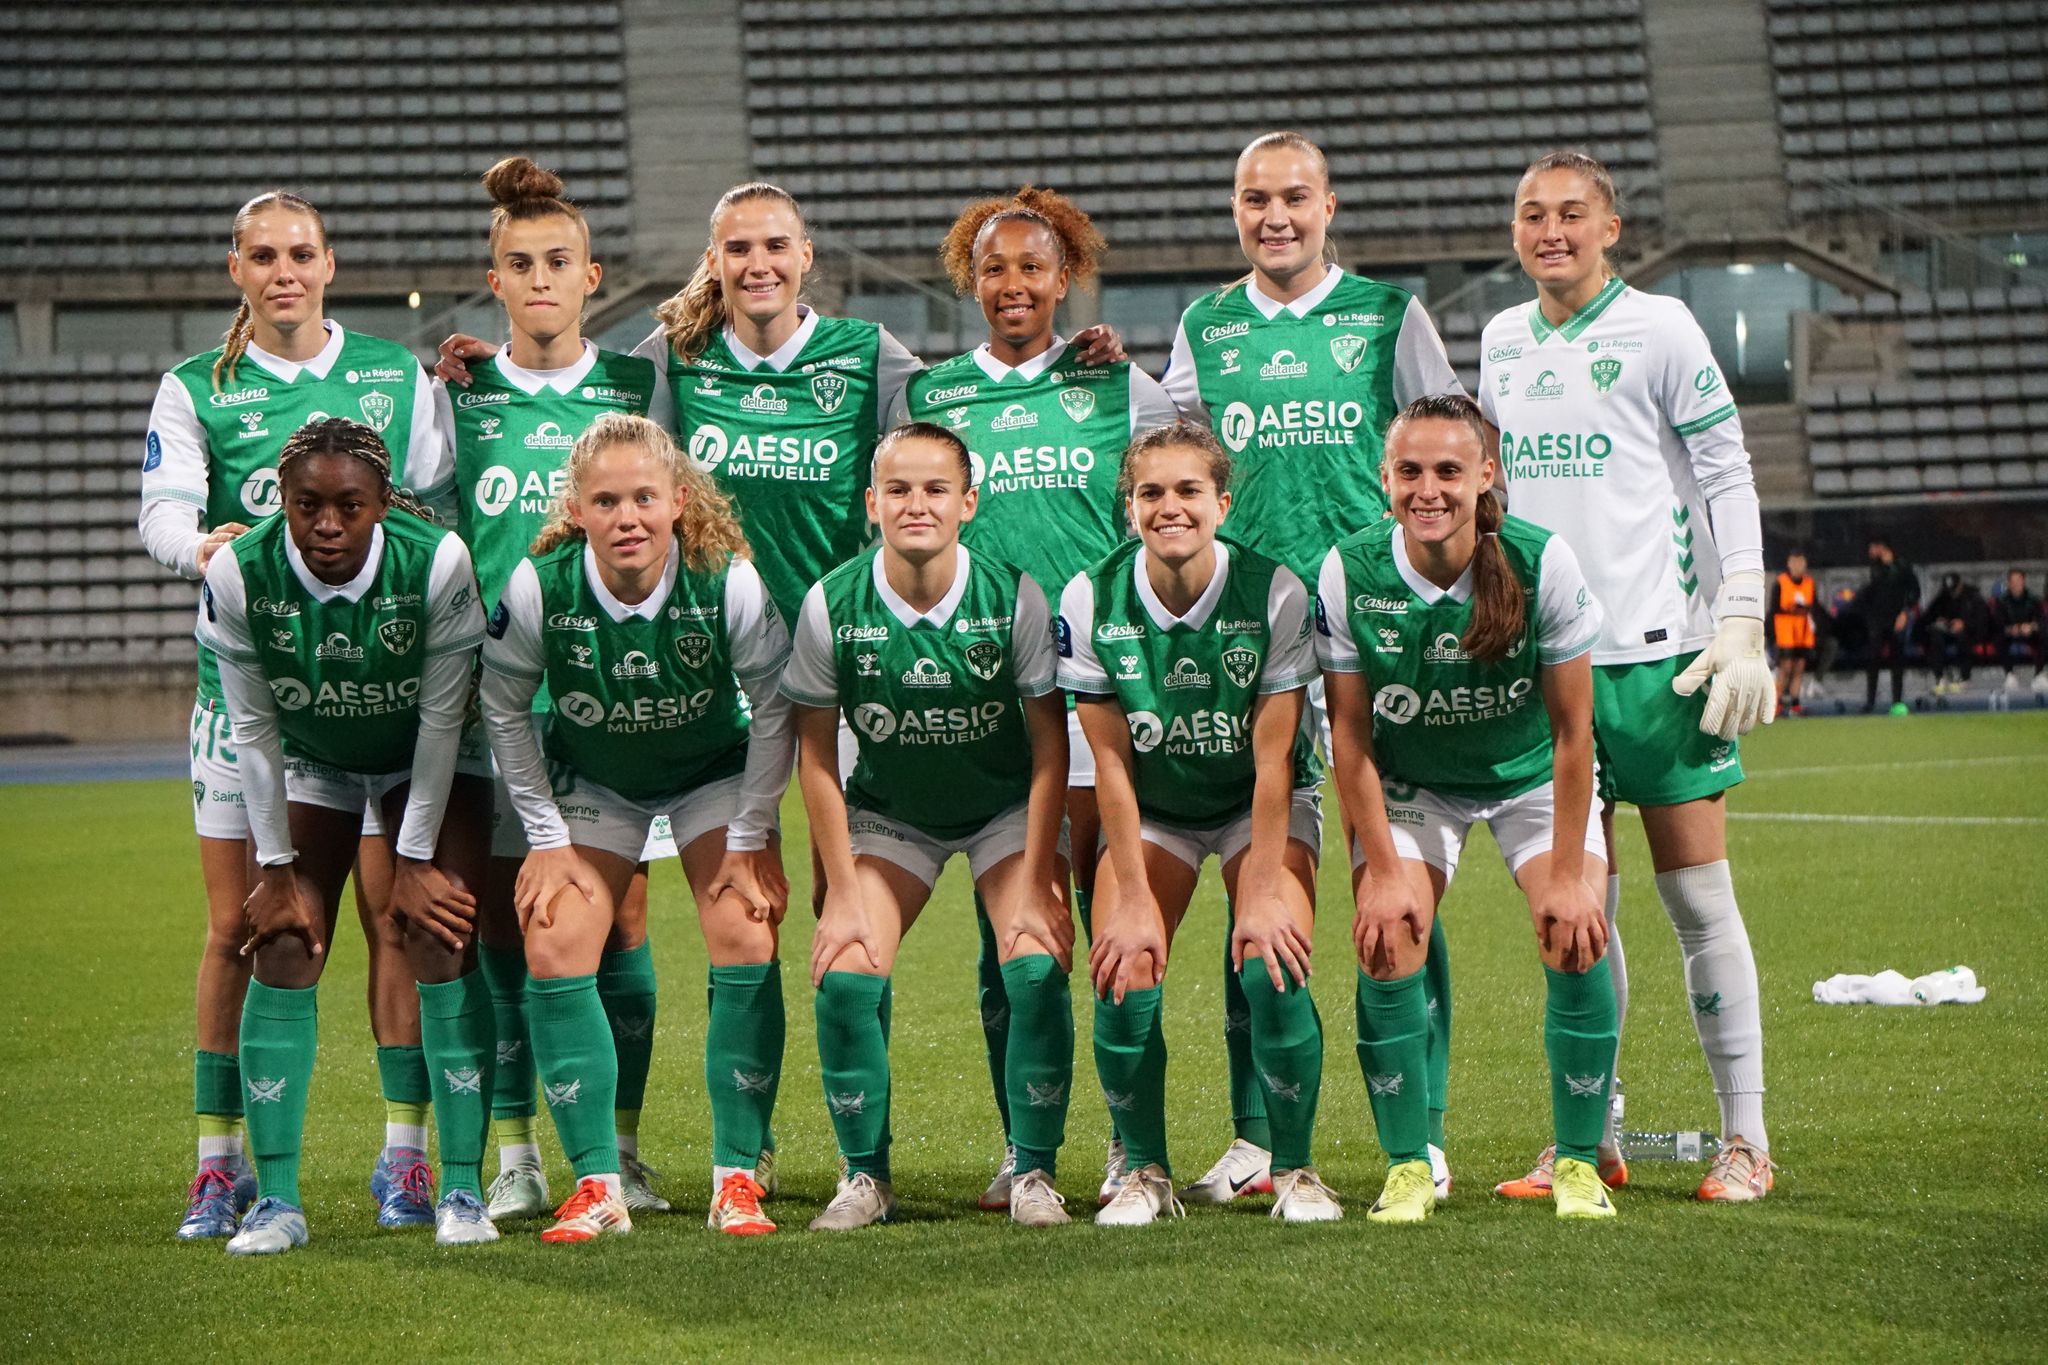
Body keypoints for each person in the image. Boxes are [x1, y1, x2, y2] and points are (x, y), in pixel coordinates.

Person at [1160, 129, 1469, 1204]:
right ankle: (1256, 1137)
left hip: (1376, 632)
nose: (1275, 216)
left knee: (1399, 874)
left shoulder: (1389, 316)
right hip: (1250, 640)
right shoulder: (1204, 326)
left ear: (1328, 206)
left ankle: (1422, 1132)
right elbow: (1172, 454)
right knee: (1260, 876)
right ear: (1234, 210)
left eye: (1294, 196)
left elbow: (1455, 445)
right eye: (1255, 198)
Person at [140, 191, 449, 1238]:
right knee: (243, 924)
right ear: (236, 268)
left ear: (329, 264)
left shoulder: (393, 375)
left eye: (301, 254)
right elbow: (162, 513)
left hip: (381, 689)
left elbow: (439, 496)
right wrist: (206, 550)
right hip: (252, 695)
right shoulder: (198, 386)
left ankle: (405, 1158)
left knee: (394, 917)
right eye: (264, 255)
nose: (285, 272)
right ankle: (219, 1166)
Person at [1480, 149, 1778, 1202]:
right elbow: (1495, 497)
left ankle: (1745, 1140)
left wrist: (1742, 613)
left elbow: (1725, 469)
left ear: (1610, 228)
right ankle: (1589, 1134)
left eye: (1571, 213)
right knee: (1575, 908)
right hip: (1547, 668)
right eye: (1531, 215)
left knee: (1697, 898)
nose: (1550, 231)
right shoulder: (1501, 339)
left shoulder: (1662, 328)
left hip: (1661, 661)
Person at [412, 157, 676, 1220]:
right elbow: (429, 522)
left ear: (590, 277)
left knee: (625, 921)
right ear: (495, 281)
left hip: (618, 700)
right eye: (519, 265)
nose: (539, 280)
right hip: (502, 703)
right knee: (508, 924)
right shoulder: (461, 394)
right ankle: (518, 1151)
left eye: (558, 262)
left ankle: (622, 1149)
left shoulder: (637, 390)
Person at [905, 185, 1177, 1208]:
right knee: (1011, 939)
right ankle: (1026, 1149)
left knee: (1113, 924)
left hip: (1097, 691)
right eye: (994, 268)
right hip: (987, 696)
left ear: (1065, 279)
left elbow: (1175, 502)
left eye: (1032, 266)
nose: (1012, 284)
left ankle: (1127, 1146)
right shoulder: (931, 394)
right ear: (969, 281)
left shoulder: (1119, 386)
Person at [480, 412, 793, 1242]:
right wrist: (546, 838)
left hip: (709, 776)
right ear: (577, 508)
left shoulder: (726, 578)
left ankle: (736, 1179)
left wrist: (751, 836)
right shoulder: (540, 585)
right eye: (607, 501)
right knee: (552, 935)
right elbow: (503, 707)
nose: (628, 518)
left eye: (645, 498)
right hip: (598, 782)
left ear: (678, 500)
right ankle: (597, 1184)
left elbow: (774, 709)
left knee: (745, 923)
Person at [1318, 395, 1617, 1223]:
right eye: (1409, 471)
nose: (1429, 490)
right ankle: (1410, 1165)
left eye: (1449, 470)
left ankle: (1579, 1162)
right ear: (1384, 478)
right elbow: (1350, 738)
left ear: (1485, 475)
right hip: (1415, 783)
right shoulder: (1349, 570)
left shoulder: (1541, 560)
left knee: (1574, 930)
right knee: (1387, 935)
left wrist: (1568, 874)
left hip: (1530, 775)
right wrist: (1382, 872)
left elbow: (1573, 732)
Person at [194, 418, 489, 1253]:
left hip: (422, 753)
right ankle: (276, 1201)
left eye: (349, 506)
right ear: (282, 502)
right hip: (313, 757)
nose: (326, 524)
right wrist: (277, 868)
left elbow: (441, 721)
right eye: (306, 506)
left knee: (437, 930)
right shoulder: (238, 572)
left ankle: (460, 1189)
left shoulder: (437, 562)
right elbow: (253, 730)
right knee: (283, 938)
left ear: (383, 504)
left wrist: (413, 859)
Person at [782, 423, 1076, 1231]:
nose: (918, 504)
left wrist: (1040, 879)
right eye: (899, 489)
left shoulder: (1013, 595)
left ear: (968, 503)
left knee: (1034, 965)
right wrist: (843, 890)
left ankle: (1033, 1170)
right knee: (846, 970)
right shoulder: (831, 602)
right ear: (871, 502)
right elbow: (815, 757)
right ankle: (865, 1176)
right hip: (893, 814)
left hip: (1004, 811)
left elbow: (1051, 748)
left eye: (936, 489)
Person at [1061, 420, 1339, 1228]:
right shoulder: (1091, 597)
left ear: (1223, 502)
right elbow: (1111, 766)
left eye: (1189, 490)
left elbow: (1275, 762)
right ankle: (1145, 1168)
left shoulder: (1275, 592)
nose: (1169, 507)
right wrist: (1130, 896)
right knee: (1124, 963)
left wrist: (1263, 890)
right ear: (1129, 505)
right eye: (1151, 492)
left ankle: (1295, 1169)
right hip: (1156, 810)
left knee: (1271, 959)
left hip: (1257, 803)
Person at [1858, 537, 1920, 712]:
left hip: (1896, 618)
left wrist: (1905, 612)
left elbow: (1914, 591)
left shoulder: (1902, 566)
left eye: (1872, 547)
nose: (1870, 551)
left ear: (1882, 547)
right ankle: (1870, 701)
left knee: (1897, 660)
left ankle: (1897, 701)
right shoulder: (1875, 568)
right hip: (1877, 620)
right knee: (1873, 659)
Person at [1924, 572, 1989, 698]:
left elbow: (1982, 620)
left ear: (1960, 585)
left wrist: (1965, 624)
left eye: (1954, 590)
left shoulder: (1974, 597)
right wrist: (1940, 621)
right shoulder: (1943, 597)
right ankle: (1940, 677)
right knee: (1935, 635)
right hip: (1947, 632)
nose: (1952, 593)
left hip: (1970, 632)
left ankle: (1964, 677)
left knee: (1963, 637)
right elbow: (1928, 617)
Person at [1772, 552, 1819, 714]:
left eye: (1801, 563)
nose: (1798, 567)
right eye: (1795, 563)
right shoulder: (1781, 582)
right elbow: (1774, 609)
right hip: (1785, 633)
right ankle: (1776, 703)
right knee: (1785, 668)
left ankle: (1795, 703)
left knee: (1799, 668)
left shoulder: (1809, 583)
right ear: (1789, 564)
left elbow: (1814, 606)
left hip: (1803, 633)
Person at [1991, 568, 2045, 694]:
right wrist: (2010, 629)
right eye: (2013, 581)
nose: (2016, 584)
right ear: (2009, 583)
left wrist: (2032, 627)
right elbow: (1997, 623)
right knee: (1998, 638)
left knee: (2045, 636)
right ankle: (2010, 675)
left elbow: (2041, 621)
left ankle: (2038, 674)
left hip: (2029, 633)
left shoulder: (2034, 599)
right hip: (2010, 634)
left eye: (2019, 581)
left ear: (2023, 581)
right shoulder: (2001, 601)